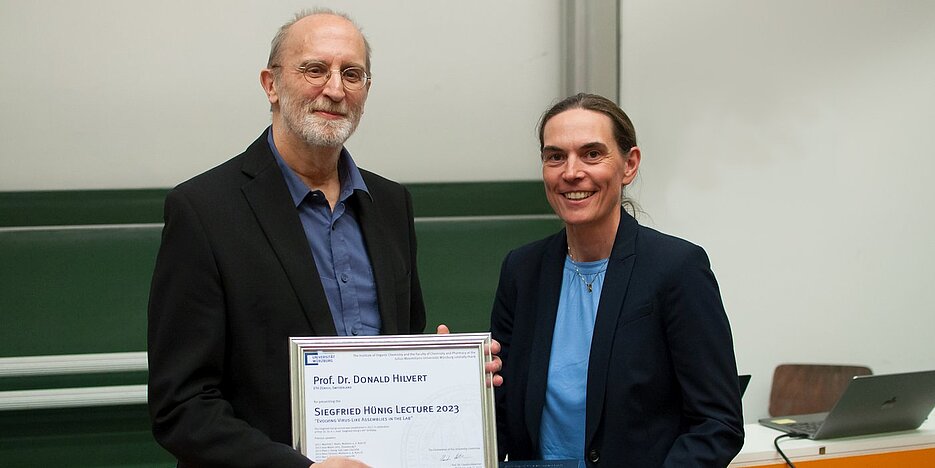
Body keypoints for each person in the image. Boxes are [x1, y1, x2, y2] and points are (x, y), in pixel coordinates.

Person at [147, 9, 500, 468]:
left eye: (351, 74)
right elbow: (182, 406)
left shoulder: (391, 204)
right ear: (270, 85)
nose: (335, 89)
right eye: (315, 69)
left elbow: (402, 352)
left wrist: (449, 374)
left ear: (366, 91)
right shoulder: (203, 210)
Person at [490, 93, 744, 467]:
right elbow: (501, 409)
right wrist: (454, 379)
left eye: (592, 154)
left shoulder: (677, 268)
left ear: (629, 165)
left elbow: (718, 424)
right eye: (555, 156)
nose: (571, 172)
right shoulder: (522, 270)